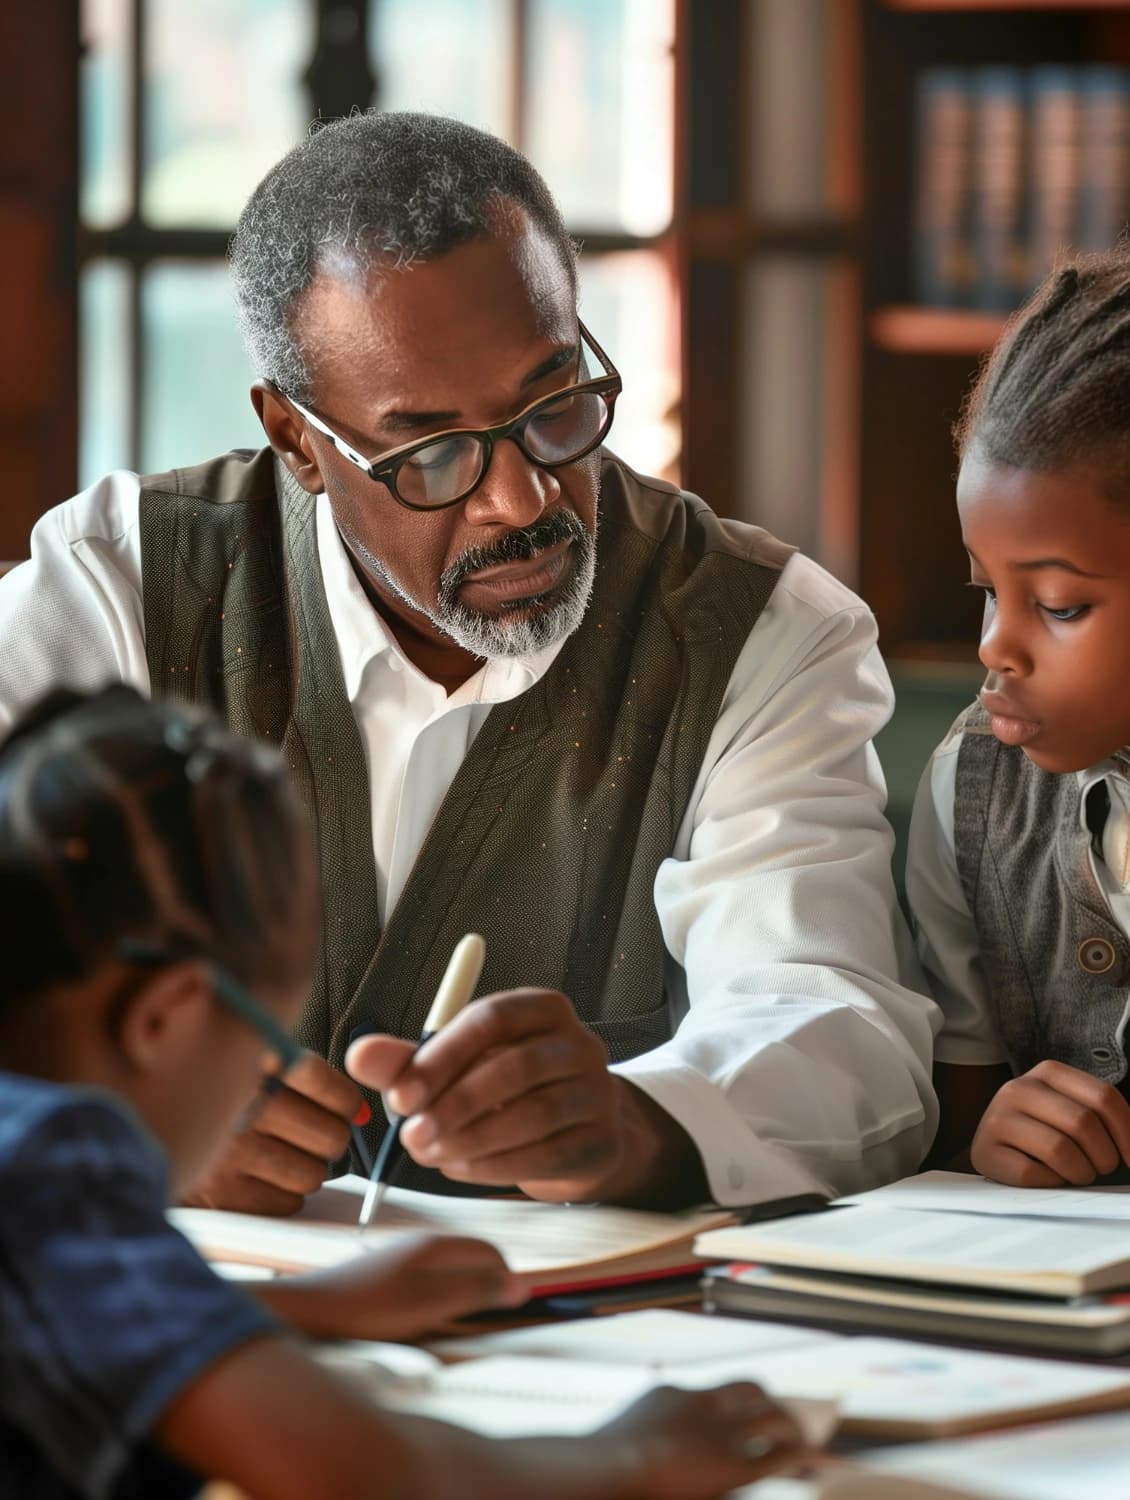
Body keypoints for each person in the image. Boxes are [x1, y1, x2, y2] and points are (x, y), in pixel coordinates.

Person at [0, 110, 938, 1216]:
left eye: (552, 407)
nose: (522, 498)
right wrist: (99, 1126)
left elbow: (836, 1024)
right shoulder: (117, 588)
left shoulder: (759, 631)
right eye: (432, 449)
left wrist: (638, 1124)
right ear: (297, 439)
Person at [0, 684, 808, 1500]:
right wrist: (638, 1457)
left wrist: (315, 1306)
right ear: (163, 1020)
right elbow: (364, 1472)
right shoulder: (52, 1172)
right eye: (267, 1045)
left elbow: (55, 1318)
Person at [908, 247, 1130, 1186]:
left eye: (1060, 605)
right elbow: (954, 1142)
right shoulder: (972, 789)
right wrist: (993, 1151)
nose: (998, 647)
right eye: (986, 590)